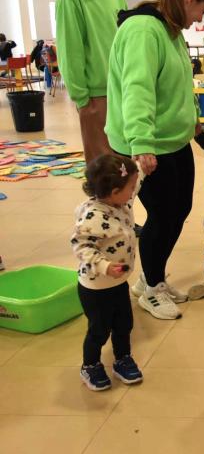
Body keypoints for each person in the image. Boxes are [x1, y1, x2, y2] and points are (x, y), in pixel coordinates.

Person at [106, 0, 204, 320]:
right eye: (202, 10)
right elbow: (137, 90)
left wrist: (192, 118)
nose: (200, 18)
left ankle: (151, 281)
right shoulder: (143, 30)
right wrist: (141, 143)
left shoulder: (170, 30)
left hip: (173, 139)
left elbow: (181, 80)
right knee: (162, 216)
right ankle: (150, 287)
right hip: (147, 143)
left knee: (179, 210)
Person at [71, 154, 145, 391]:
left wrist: (142, 167)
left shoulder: (120, 202)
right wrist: (104, 266)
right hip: (95, 287)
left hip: (118, 283)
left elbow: (135, 183)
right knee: (99, 330)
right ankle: (90, 365)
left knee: (124, 324)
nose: (133, 191)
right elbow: (81, 246)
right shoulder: (93, 216)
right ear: (114, 191)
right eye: (130, 187)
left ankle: (122, 358)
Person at [56, 0, 128, 164]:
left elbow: (127, 42)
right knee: (104, 168)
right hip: (96, 95)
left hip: (124, 90)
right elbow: (70, 49)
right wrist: (82, 98)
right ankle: (102, 203)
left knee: (127, 164)